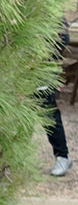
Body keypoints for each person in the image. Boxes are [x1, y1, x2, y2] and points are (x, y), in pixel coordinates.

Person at [41, 14, 71, 177]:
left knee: (48, 112)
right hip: (16, 66)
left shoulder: (50, 8)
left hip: (43, 67)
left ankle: (62, 156)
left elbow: (63, 36)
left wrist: (46, 57)